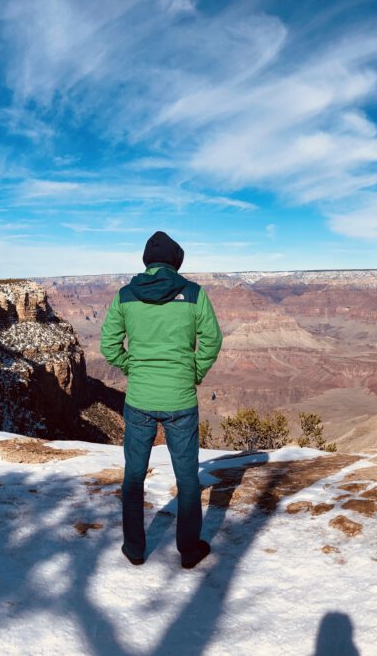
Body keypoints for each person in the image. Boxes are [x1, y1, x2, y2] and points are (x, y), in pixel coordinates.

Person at [100, 231, 223, 568]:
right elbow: (212, 341)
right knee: (186, 478)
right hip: (180, 400)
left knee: (133, 477)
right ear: (176, 261)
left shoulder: (125, 295)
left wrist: (133, 369)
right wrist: (192, 373)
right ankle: (188, 550)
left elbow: (109, 346)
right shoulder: (194, 294)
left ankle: (135, 549)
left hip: (139, 399)